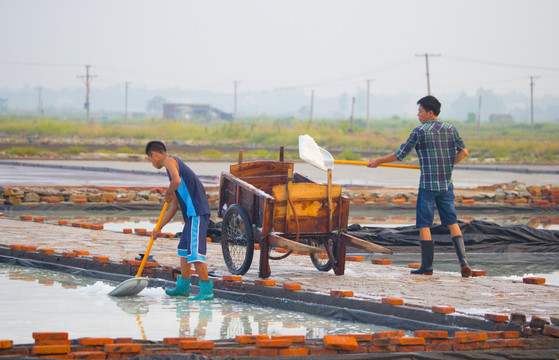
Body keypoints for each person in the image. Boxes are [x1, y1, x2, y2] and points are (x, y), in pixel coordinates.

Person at [367, 95, 472, 277]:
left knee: (424, 225)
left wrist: (378, 161)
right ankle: (463, 262)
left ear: (430, 113)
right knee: (452, 223)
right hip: (446, 185)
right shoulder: (451, 129)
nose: (418, 115)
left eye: (420, 111)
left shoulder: (420, 131)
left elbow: (400, 154)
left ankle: (426, 267)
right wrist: (448, 165)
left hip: (428, 186)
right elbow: (464, 152)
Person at [145, 140, 214, 299]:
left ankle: (206, 291)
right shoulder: (171, 169)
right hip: (190, 216)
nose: (152, 163)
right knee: (184, 250)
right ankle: (183, 287)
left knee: (195, 253)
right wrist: (159, 228)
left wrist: (168, 192)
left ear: (154, 155)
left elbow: (176, 182)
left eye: (150, 160)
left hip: (197, 212)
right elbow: (175, 205)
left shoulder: (170, 161)